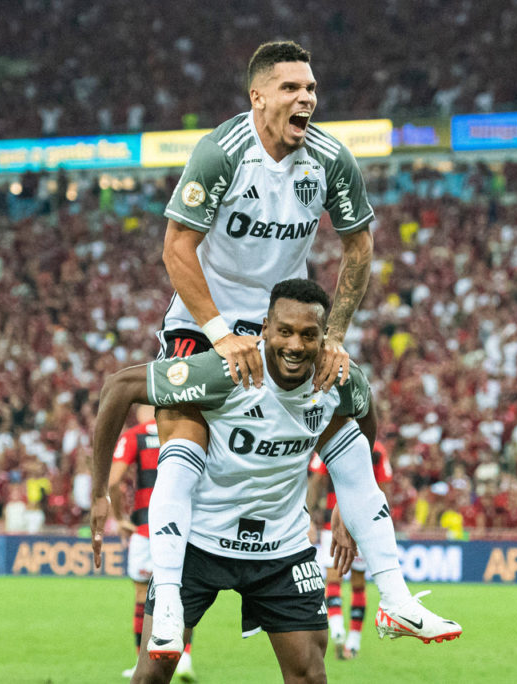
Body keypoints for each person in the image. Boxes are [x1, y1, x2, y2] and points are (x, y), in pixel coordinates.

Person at [92, 280, 462, 684]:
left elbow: (366, 409)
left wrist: (344, 505)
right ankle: (167, 594)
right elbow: (119, 386)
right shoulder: (228, 370)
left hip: (281, 547)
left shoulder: (337, 377)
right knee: (152, 675)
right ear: (265, 328)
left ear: (326, 339)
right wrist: (98, 494)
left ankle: (395, 598)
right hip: (200, 539)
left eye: (309, 335)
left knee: (309, 674)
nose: (295, 345)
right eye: (284, 331)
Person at [147, 39, 377, 659]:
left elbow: (359, 247)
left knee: (338, 411)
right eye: (291, 89)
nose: (306, 99)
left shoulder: (328, 159)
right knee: (184, 441)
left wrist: (334, 336)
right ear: (258, 97)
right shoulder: (221, 152)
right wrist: (221, 333)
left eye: (312, 89)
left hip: (286, 329)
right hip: (207, 321)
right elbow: (176, 249)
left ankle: (344, 544)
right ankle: (167, 592)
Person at [108, 405, 195, 681]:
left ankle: (139, 662)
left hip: (146, 528)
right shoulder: (188, 429)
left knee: (140, 597)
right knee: (183, 595)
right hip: (183, 527)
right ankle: (185, 658)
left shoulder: (134, 435)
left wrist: (119, 517)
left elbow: (113, 481)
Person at [307, 440, 393, 660]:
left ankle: (336, 627)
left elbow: (316, 479)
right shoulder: (377, 450)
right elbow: (383, 487)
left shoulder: (334, 440)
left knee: (333, 579)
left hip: (332, 521)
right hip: (363, 522)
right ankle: (353, 642)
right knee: (358, 584)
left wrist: (308, 517)